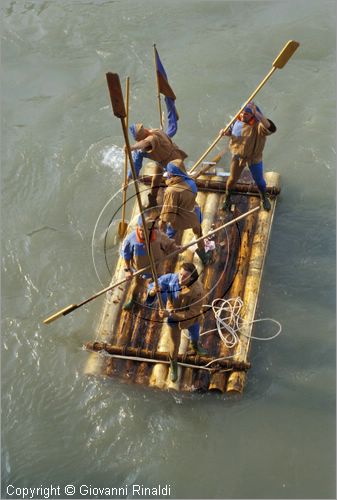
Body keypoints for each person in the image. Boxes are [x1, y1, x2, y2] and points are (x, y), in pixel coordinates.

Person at [147, 262, 207, 382]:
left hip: (190, 318)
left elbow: (192, 313)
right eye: (180, 274)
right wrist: (153, 291)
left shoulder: (198, 291)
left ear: (192, 278)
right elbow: (154, 284)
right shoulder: (171, 279)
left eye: (185, 276)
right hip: (173, 316)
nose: (181, 278)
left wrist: (169, 314)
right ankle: (173, 363)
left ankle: (194, 345)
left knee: (195, 335)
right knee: (174, 346)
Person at [220, 101, 276, 211]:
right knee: (232, 180)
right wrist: (225, 133)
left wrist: (257, 114)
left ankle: (264, 197)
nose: (242, 115)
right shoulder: (237, 121)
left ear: (253, 114)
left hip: (254, 158)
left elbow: (271, 129)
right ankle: (227, 197)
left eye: (246, 114)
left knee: (259, 181)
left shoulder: (259, 126)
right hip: (238, 156)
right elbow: (231, 132)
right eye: (241, 112)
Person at [121, 215, 181, 311]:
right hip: (140, 270)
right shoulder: (131, 239)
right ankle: (134, 301)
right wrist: (127, 269)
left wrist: (176, 248)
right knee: (138, 285)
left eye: (144, 231)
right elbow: (126, 255)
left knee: (158, 285)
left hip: (157, 267)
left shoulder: (158, 235)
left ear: (151, 230)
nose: (141, 233)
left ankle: (154, 302)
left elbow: (169, 243)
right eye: (140, 229)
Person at [158, 161, 211, 266]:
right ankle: (203, 256)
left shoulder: (171, 191)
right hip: (194, 214)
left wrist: (161, 225)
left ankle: (161, 252)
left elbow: (168, 214)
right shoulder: (191, 182)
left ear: (172, 174)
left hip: (180, 219)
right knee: (198, 234)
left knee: (168, 234)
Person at [129, 123, 188, 208]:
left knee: (180, 181)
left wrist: (132, 147)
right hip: (161, 161)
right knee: (156, 179)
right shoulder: (150, 135)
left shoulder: (153, 137)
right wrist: (129, 177)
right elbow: (136, 162)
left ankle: (184, 201)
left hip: (173, 160)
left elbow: (145, 143)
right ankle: (152, 201)